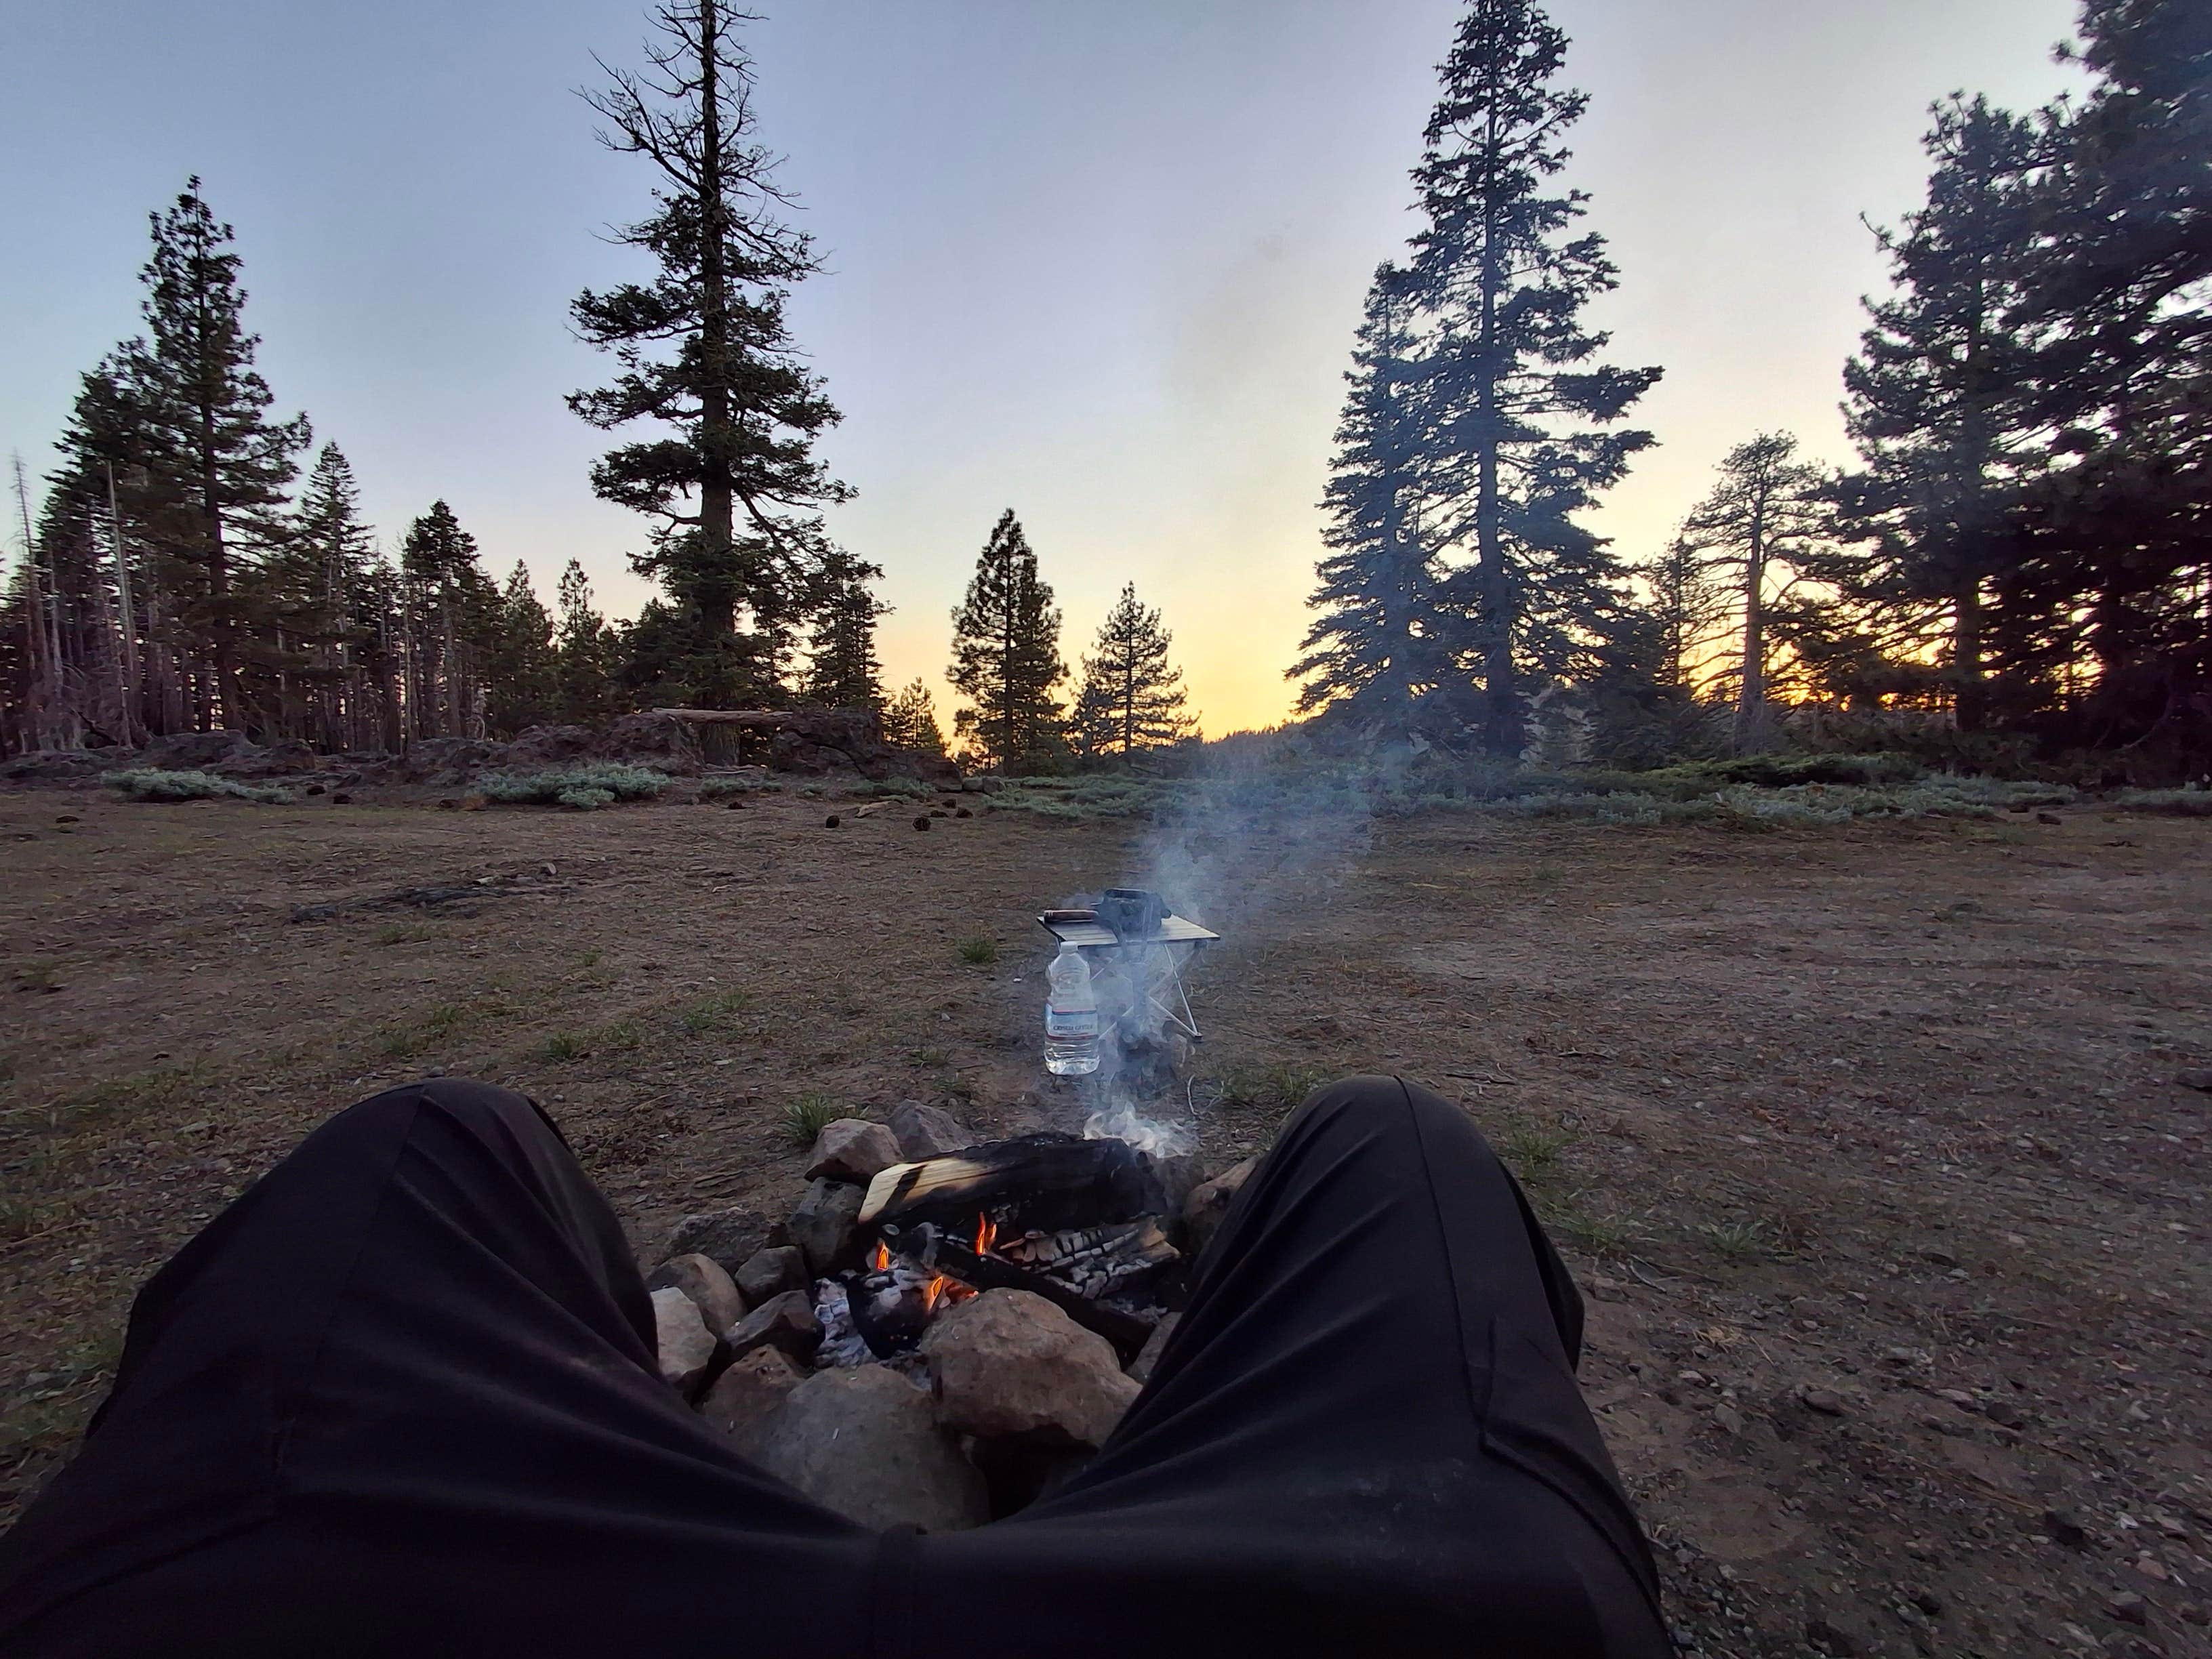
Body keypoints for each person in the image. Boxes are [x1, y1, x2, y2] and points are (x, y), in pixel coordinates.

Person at [0, 1075, 1669, 1657]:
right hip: (1387, 1600)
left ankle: (601, 1391)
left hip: (330, 1603)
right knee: (1393, 1136)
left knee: (433, 1137)